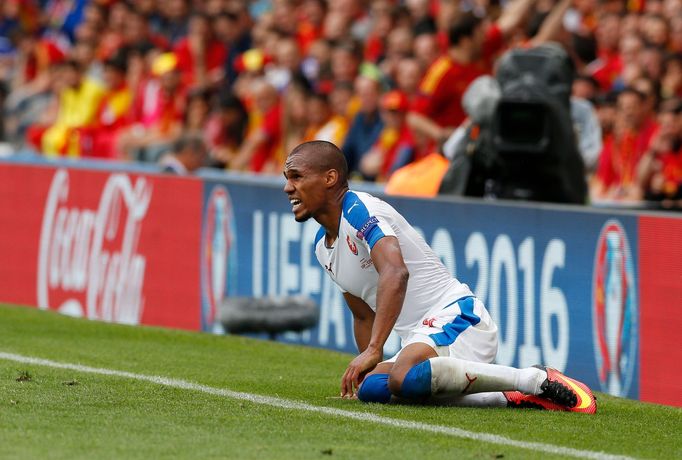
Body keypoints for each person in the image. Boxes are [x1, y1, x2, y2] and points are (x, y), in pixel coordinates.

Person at [282, 140, 597, 413]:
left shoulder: (360, 210)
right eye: (287, 178)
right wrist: (365, 361)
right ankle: (506, 398)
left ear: (330, 178)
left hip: (459, 318)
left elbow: (396, 271)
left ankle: (533, 379)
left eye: (296, 177)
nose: (288, 188)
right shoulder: (323, 248)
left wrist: (376, 349)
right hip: (423, 341)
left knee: (400, 377)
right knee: (373, 389)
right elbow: (362, 315)